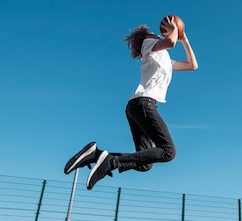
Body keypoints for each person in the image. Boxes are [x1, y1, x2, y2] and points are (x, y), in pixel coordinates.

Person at [64, 15, 198, 190]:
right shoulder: (148, 46)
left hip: (138, 106)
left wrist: (184, 38)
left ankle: (94, 155)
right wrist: (174, 30)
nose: (157, 34)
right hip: (143, 104)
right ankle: (112, 163)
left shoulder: (164, 59)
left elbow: (192, 65)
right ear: (145, 39)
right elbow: (171, 43)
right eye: (153, 33)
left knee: (144, 164)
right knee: (168, 151)